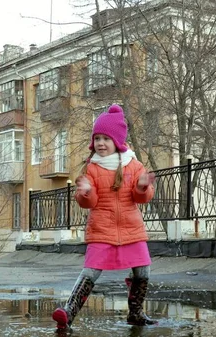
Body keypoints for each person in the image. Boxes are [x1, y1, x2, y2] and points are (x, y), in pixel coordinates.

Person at [52, 104, 157, 329]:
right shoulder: (92, 169)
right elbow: (90, 203)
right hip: (101, 228)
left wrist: (142, 187)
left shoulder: (134, 165)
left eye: (105, 139)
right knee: (91, 270)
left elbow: (142, 199)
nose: (100, 143)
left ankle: (136, 313)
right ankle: (68, 313)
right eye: (97, 138)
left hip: (131, 228)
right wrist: (86, 192)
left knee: (143, 269)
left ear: (117, 142)